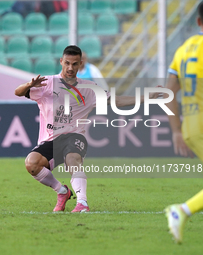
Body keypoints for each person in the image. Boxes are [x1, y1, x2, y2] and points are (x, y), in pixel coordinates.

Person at [14, 45, 161, 213]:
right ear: (61, 61)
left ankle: (82, 202)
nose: (70, 68)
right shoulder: (47, 83)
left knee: (72, 159)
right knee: (31, 164)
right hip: (51, 139)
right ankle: (62, 192)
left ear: (80, 64)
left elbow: (117, 100)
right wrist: (28, 85)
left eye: (75, 64)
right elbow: (18, 92)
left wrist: (147, 97)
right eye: (67, 63)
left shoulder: (89, 88)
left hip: (75, 136)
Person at [164, 1, 203, 244]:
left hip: (191, 125)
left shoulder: (184, 49)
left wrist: (177, 131)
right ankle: (182, 211)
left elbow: (169, 91)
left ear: (198, 21)